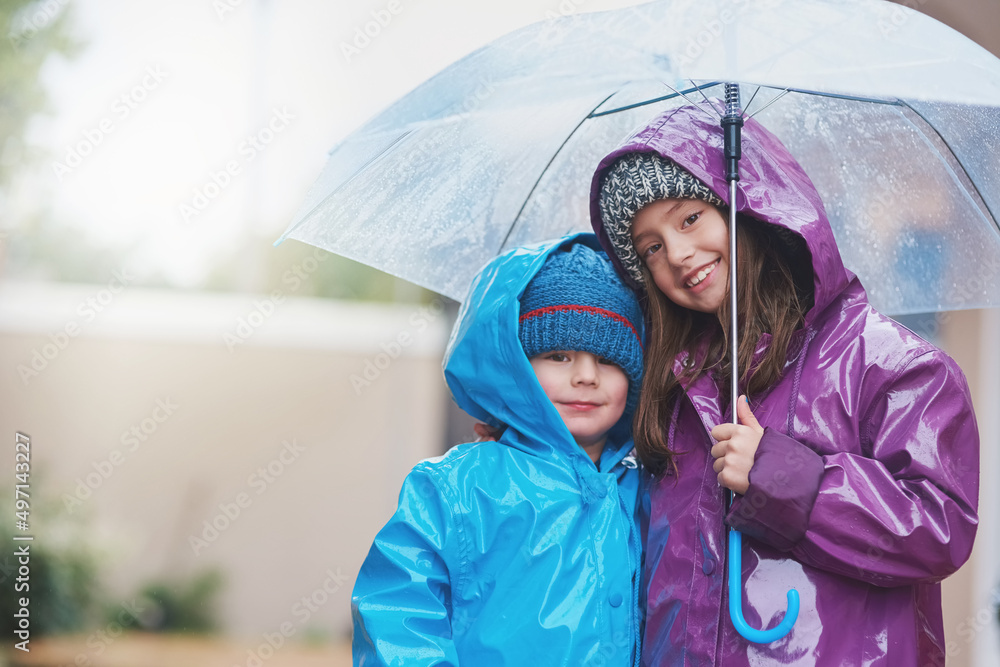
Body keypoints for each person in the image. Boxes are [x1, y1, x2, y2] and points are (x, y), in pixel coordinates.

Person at [589, 103, 980, 666]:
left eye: (690, 218)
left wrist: (784, 479)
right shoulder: (671, 389)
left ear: (748, 206)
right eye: (650, 248)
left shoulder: (890, 365)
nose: (676, 254)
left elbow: (938, 526)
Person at [352, 234, 645, 666]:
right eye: (559, 355)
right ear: (517, 369)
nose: (586, 376)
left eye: (608, 359)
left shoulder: (649, 491)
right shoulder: (457, 486)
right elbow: (400, 612)